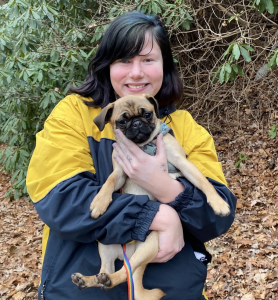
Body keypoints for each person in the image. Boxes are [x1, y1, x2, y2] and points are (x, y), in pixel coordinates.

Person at [26, 11, 237, 300]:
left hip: (173, 292)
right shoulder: (73, 114)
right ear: (106, 65)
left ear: (165, 66)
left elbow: (218, 214)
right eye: (124, 60)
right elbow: (60, 200)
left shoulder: (186, 128)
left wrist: (165, 187)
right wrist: (156, 216)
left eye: (148, 60)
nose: (136, 72)